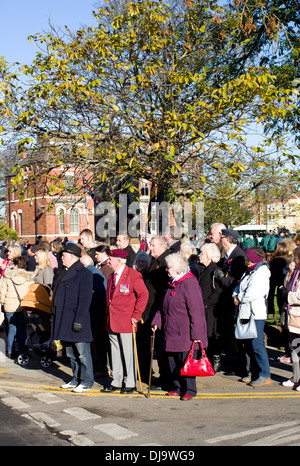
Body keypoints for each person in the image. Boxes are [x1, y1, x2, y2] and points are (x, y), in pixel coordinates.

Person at [152, 253, 207, 400]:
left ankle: (189, 389)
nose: (166, 270)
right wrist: (157, 321)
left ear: (177, 268)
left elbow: (196, 311)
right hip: (170, 332)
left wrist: (197, 335)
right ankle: (176, 386)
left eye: (168, 267)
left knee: (185, 363)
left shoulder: (189, 283)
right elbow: (162, 306)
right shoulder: (171, 283)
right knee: (172, 362)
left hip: (185, 334)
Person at [101, 249, 149, 394]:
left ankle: (130, 382)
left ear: (119, 261)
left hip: (127, 321)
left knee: (128, 353)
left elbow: (143, 295)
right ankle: (117, 380)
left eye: (110, 259)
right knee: (115, 353)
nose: (108, 261)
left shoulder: (133, 275)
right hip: (112, 320)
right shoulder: (111, 276)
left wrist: (136, 315)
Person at [51, 242, 94, 393]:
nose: (61, 258)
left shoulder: (84, 273)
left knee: (82, 353)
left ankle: (87, 381)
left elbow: (85, 299)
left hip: (76, 318)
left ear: (71, 256)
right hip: (64, 318)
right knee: (70, 353)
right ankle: (76, 378)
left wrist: (79, 320)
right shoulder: (65, 271)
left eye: (63, 255)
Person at [232, 247, 271, 386]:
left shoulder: (261, 272)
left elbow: (252, 292)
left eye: (247, 258)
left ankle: (264, 373)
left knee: (257, 345)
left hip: (255, 314)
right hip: (244, 312)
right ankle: (252, 372)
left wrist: (239, 298)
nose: (245, 260)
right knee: (247, 345)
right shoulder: (248, 271)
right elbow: (239, 287)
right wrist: (235, 294)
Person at [213, 228, 246, 373]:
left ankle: (236, 363)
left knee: (233, 334)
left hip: (233, 299)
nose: (221, 240)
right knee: (226, 331)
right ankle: (230, 359)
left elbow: (236, 279)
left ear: (227, 239)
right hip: (225, 300)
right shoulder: (229, 254)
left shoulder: (238, 255)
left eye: (223, 237)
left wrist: (222, 279)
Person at [0, 256, 36, 358]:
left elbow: (2, 292)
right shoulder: (29, 278)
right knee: (22, 329)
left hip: (9, 306)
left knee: (12, 328)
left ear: (15, 265)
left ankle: (10, 351)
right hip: (22, 306)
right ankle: (21, 350)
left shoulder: (8, 277)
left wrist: (3, 303)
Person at [148, 236, 171, 389]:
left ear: (163, 247)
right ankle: (163, 376)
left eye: (153, 245)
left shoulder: (166, 262)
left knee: (163, 347)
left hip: (161, 308)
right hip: (152, 308)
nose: (150, 248)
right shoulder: (155, 261)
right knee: (158, 347)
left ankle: (166, 379)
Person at [80, 254, 108, 377]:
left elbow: (98, 295)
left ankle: (101, 367)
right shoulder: (91, 272)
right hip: (93, 313)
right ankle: (98, 365)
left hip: (96, 314)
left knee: (98, 342)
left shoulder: (93, 274)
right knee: (95, 342)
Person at [268, 239, 297, 362]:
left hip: (286, 297)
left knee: (286, 324)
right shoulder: (288, 265)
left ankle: (289, 352)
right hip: (286, 296)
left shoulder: (280, 264)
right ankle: (289, 351)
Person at [198, 243, 223, 372]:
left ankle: (215, 361)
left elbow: (219, 291)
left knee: (211, 335)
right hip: (204, 308)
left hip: (211, 309)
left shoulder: (215, 270)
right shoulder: (203, 269)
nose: (199, 255)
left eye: (202, 253)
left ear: (208, 256)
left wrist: (206, 303)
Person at [134, 251, 156, 383]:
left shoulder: (148, 277)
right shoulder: (134, 275)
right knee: (138, 346)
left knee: (146, 347)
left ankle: (146, 372)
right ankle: (138, 370)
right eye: (138, 262)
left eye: (143, 262)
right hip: (136, 314)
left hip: (147, 314)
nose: (140, 264)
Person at [280, 247, 300, 390]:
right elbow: (288, 286)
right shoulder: (297, 272)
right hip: (293, 316)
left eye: (296, 257)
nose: (294, 260)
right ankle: (296, 377)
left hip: (298, 314)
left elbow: (298, 296)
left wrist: (286, 295)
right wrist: (290, 274)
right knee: (294, 349)